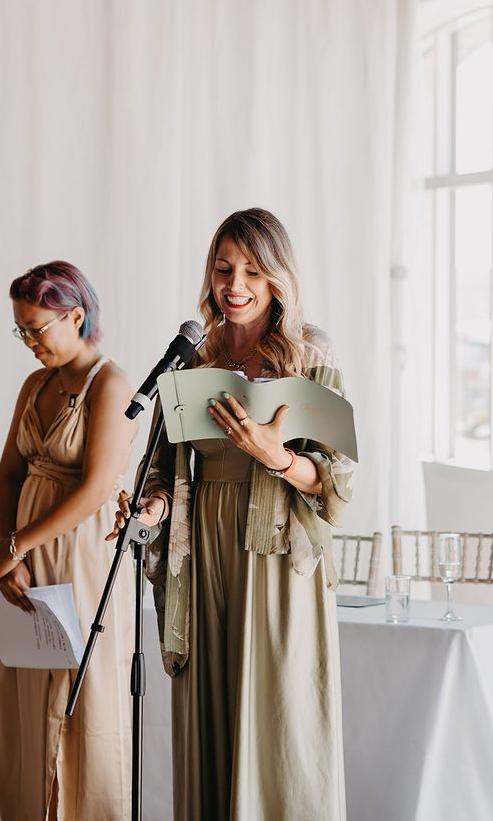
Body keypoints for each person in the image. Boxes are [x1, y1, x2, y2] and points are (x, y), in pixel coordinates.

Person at [109, 207, 355, 821]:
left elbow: (337, 482)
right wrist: (154, 502)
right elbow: (163, 467)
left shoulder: (308, 354)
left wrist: (275, 457)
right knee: (211, 718)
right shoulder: (191, 360)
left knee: (280, 728)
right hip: (202, 561)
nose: (234, 285)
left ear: (277, 278)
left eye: (251, 270)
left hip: (273, 564)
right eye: (223, 269)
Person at [0, 261, 136, 821]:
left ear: (76, 316)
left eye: (36, 329)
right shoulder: (36, 384)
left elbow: (98, 488)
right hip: (24, 561)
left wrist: (18, 544)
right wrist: (9, 556)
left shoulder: (113, 384)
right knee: (26, 687)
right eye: (21, 330)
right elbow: (8, 475)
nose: (29, 342)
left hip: (83, 559)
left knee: (82, 693)